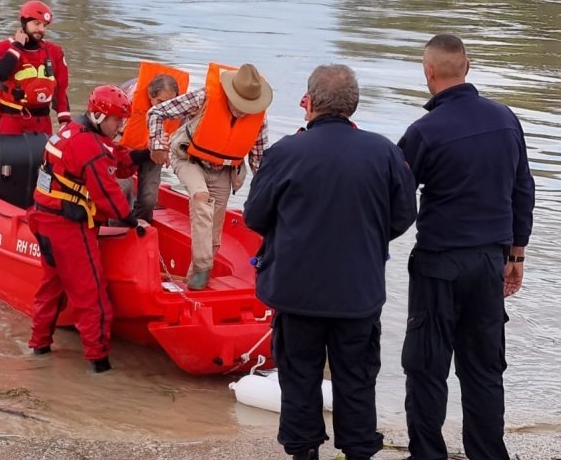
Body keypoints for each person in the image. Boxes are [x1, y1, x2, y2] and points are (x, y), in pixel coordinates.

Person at [244, 65, 417, 460]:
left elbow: (255, 215)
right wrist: (367, 238)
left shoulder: (286, 152)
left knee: (299, 374)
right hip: (358, 291)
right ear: (352, 105)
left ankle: (304, 452)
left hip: (296, 289)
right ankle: (358, 452)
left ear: (312, 101)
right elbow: (404, 214)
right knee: (356, 377)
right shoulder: (385, 152)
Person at [397, 34, 535, 460]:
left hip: (440, 263)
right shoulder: (505, 119)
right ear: (468, 67)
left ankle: (428, 454)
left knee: (426, 369)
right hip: (490, 262)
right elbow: (522, 190)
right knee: (483, 370)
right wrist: (515, 255)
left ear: (429, 73)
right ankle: (488, 454)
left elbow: (396, 201)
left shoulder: (423, 131)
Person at [26, 85, 150, 373]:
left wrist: (142, 156)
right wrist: (132, 220)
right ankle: (99, 364)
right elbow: (108, 195)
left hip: (43, 219)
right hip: (67, 227)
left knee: (52, 288)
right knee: (92, 296)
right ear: (98, 116)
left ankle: (39, 345)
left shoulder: (72, 132)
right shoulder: (88, 146)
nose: (120, 126)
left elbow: (115, 160)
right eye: (117, 120)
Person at [147, 62, 272, 290]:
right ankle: (203, 267)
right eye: (239, 103)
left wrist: (268, 195)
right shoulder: (204, 98)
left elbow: (259, 161)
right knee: (201, 196)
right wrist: (157, 145)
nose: (243, 110)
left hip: (223, 170)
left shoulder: (259, 119)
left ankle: (195, 282)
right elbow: (156, 112)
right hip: (188, 159)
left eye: (248, 106)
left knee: (214, 234)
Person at [0, 0, 71, 135]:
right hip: (11, 120)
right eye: (36, 23)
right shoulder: (3, 48)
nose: (41, 29)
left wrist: (64, 120)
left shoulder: (55, 52)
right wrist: (17, 46)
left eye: (44, 25)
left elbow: (60, 89)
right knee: (9, 156)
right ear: (24, 22)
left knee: (44, 156)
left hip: (42, 123)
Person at [118, 63, 188, 222]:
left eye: (170, 103)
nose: (165, 108)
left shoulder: (181, 109)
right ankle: (116, 229)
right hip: (124, 150)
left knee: (149, 199)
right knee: (122, 191)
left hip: (154, 153)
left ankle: (140, 228)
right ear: (150, 95)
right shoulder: (127, 101)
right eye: (160, 102)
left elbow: (180, 139)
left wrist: (171, 152)